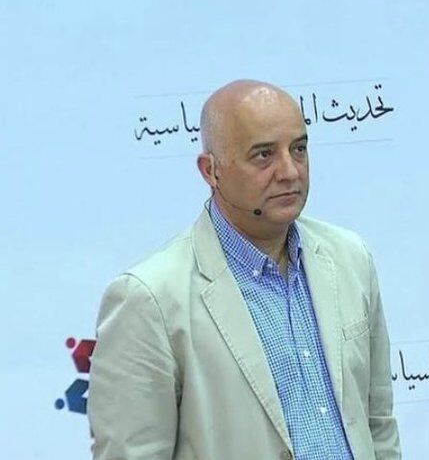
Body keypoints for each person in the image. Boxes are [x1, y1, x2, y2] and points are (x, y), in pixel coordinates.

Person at [88, 80, 401, 460]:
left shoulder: (350, 257)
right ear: (211, 170)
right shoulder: (148, 299)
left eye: (299, 149)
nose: (290, 171)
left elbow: (378, 424)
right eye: (263, 155)